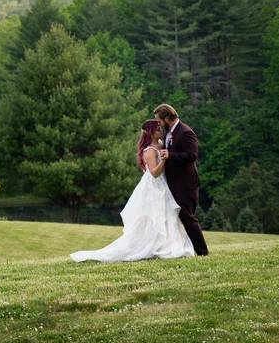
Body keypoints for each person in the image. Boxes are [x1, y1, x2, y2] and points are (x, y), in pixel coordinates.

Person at [70, 120, 194, 262]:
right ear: (151, 133)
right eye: (158, 129)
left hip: (164, 186)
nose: (161, 131)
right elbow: (154, 173)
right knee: (153, 217)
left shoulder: (161, 145)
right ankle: (150, 246)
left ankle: (165, 244)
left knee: (166, 216)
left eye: (161, 128)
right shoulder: (149, 151)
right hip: (154, 188)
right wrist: (164, 160)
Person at [154, 103, 209, 256]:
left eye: (159, 120)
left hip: (185, 183)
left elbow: (192, 155)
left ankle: (202, 252)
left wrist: (170, 155)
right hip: (172, 183)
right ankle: (184, 249)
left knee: (188, 218)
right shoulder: (168, 132)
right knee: (180, 218)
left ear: (166, 118)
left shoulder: (186, 132)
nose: (158, 124)